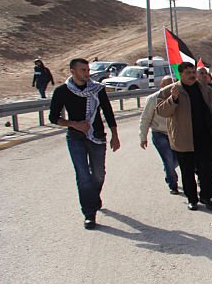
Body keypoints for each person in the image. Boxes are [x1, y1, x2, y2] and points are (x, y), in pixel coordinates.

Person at [48, 57, 121, 229]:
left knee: (98, 174)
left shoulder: (97, 89)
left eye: (88, 70)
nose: (87, 74)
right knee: (83, 176)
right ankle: (89, 213)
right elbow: (53, 117)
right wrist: (74, 124)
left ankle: (93, 198)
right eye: (83, 70)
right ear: (72, 71)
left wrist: (115, 135)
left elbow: (108, 112)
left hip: (97, 136)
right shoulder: (62, 91)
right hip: (75, 138)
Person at [156, 61, 212, 211]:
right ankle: (192, 199)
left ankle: (206, 197)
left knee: (206, 171)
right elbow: (162, 111)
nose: (192, 75)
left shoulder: (207, 90)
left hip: (205, 138)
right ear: (180, 74)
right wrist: (172, 99)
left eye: (193, 72)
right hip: (184, 139)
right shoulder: (171, 90)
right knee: (187, 172)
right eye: (188, 73)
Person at [139, 75, 180, 195]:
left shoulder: (178, 98)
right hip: (159, 133)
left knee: (176, 160)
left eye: (172, 85)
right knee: (167, 159)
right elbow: (145, 118)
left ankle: (169, 171)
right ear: (161, 86)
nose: (170, 87)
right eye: (167, 85)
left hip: (175, 134)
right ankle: (173, 184)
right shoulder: (153, 99)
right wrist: (143, 137)